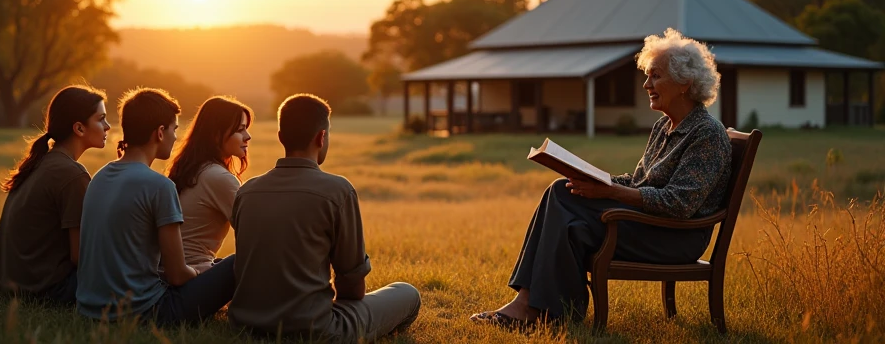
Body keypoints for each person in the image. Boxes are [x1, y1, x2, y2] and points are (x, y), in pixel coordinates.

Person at [471, 28, 733, 328]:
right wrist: (597, 179)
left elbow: (680, 203)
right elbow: (639, 182)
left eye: (655, 76)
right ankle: (548, 311)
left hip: (674, 237)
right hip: (647, 225)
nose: (647, 84)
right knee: (566, 201)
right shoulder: (664, 127)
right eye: (647, 76)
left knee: (562, 200)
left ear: (684, 83)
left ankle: (535, 308)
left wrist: (610, 193)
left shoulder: (707, 135)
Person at [229, 93, 421, 343]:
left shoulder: (247, 191)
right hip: (315, 329)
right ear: (321, 137)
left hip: (246, 324)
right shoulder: (337, 190)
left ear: (280, 138)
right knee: (407, 294)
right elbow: (352, 287)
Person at [76, 88, 235, 326]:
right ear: (160, 132)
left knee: (218, 266)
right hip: (146, 312)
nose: (175, 137)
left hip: (89, 307)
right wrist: (200, 272)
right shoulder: (159, 186)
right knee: (238, 264)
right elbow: (177, 275)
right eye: (174, 130)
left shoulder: (99, 177)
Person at [0, 85, 109, 305]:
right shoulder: (72, 175)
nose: (108, 126)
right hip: (47, 291)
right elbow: (81, 257)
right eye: (101, 119)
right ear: (79, 128)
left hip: (12, 288)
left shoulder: (43, 162)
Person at [166, 96, 252, 272]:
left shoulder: (193, 169)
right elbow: (257, 232)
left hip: (169, 272)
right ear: (216, 134)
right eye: (240, 130)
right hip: (195, 273)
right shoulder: (217, 177)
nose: (247, 137)